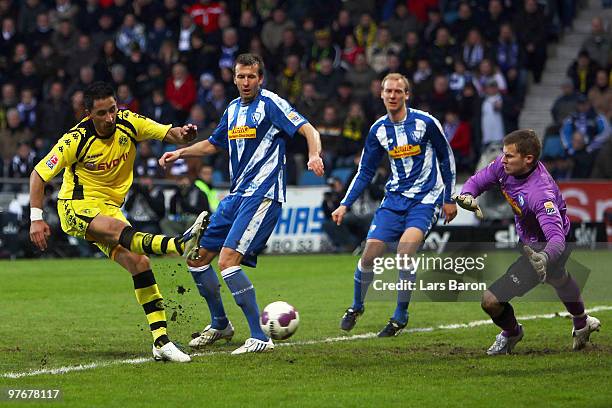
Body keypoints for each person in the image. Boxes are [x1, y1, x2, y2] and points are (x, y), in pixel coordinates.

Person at [29, 81, 207, 363]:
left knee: (140, 263)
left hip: (110, 208)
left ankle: (161, 342)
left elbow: (168, 133)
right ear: (88, 113)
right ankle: (177, 245)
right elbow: (39, 174)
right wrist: (36, 219)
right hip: (76, 207)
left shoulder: (128, 123)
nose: (110, 118)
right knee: (118, 230)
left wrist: (184, 135)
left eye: (113, 110)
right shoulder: (75, 140)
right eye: (102, 113)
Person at [159, 53, 324, 355]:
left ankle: (260, 336)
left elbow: (308, 129)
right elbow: (213, 144)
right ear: (233, 78)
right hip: (235, 195)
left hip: (262, 194)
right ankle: (220, 324)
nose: (246, 82)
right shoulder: (233, 109)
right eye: (240, 76)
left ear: (260, 79)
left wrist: (314, 154)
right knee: (197, 260)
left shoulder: (271, 104)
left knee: (227, 262)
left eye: (251, 77)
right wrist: (180, 153)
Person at [454, 129, 601, 355]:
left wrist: (544, 256)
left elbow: (556, 238)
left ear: (528, 159)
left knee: (490, 301)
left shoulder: (540, 193)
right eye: (504, 154)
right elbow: (477, 181)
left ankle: (512, 333)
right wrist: (467, 196)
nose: (503, 160)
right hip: (535, 242)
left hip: (549, 246)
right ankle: (582, 323)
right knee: (558, 278)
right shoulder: (503, 167)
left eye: (509, 156)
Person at [333, 73, 457, 337]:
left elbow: (446, 159)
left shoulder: (425, 123)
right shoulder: (378, 130)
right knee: (369, 254)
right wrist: (345, 204)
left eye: (398, 91)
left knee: (404, 252)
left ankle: (400, 316)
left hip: (425, 199)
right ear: (381, 95)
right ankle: (356, 306)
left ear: (406, 95)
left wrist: (448, 199)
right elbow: (364, 171)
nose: (392, 95)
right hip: (393, 199)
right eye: (388, 91)